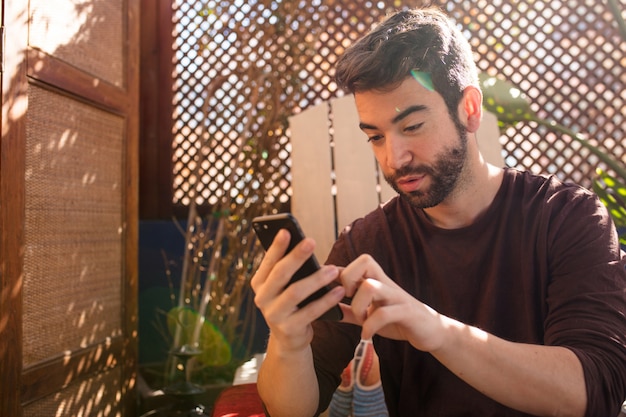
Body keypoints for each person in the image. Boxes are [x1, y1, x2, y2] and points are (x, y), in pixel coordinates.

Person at [251, 6, 626, 417]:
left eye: (412, 127)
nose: (395, 157)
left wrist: (434, 330)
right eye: (375, 137)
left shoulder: (567, 218)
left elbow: (595, 390)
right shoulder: (366, 244)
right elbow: (294, 408)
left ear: (468, 109)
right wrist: (287, 342)